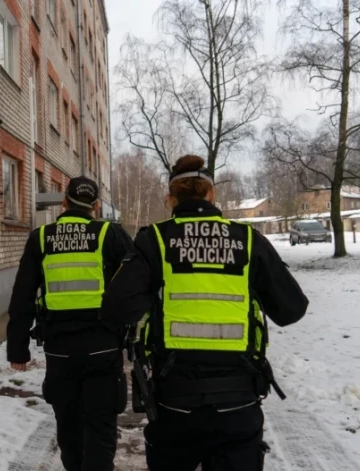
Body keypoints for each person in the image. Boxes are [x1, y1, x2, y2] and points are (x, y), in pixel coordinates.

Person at [101, 155, 309, 471]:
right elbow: (291, 309)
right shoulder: (248, 240)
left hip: (175, 403)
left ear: (170, 199)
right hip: (238, 402)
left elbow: (117, 309)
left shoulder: (155, 240)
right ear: (212, 195)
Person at [7, 176, 134, 471]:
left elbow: (22, 295)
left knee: (69, 425)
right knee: (101, 426)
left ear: (64, 202)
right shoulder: (110, 234)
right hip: (103, 348)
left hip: (60, 351)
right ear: (96, 206)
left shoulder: (41, 237)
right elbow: (135, 285)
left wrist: (17, 349)